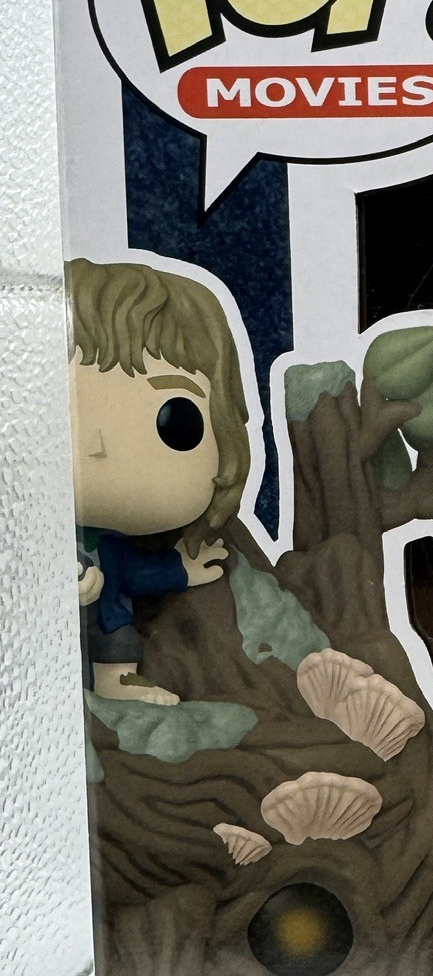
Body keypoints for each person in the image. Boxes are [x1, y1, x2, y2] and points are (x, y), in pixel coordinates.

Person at [68, 258, 251, 705]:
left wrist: (181, 571)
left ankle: (117, 680)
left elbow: (134, 573)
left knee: (116, 631)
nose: (95, 445)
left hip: (108, 625)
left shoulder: (112, 545)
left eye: (177, 422)